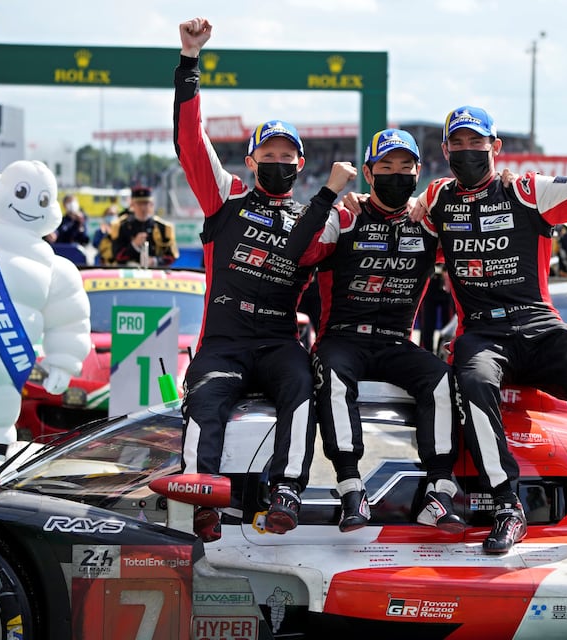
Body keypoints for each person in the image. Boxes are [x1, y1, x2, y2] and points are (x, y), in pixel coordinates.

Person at [412, 105, 567, 554]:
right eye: (459, 142)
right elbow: (398, 224)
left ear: (496, 146)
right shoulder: (436, 199)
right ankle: (507, 505)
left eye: (477, 142)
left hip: (540, 324)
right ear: (446, 148)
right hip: (482, 334)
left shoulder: (527, 191)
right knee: (470, 382)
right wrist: (358, 201)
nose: (468, 150)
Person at [174, 16, 357, 541]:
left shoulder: (318, 218)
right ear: (251, 159)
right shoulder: (226, 196)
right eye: (267, 156)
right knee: (206, 399)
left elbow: (342, 244)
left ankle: (287, 492)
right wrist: (190, 61)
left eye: (286, 157)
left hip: (278, 341)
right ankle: (200, 493)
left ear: (301, 164)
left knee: (302, 383)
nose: (276, 163)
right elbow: (190, 139)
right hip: (224, 342)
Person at [291, 128, 463, 533]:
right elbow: (301, 250)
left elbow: (477, 219)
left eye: (406, 167)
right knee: (331, 374)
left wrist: (501, 183)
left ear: (419, 172)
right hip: (343, 339)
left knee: (440, 377)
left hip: (395, 342)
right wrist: (331, 196)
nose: (397, 174)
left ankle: (439, 492)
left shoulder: (428, 222)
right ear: (369, 173)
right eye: (386, 166)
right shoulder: (347, 215)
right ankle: (351, 488)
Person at [102, 186, 178, 267]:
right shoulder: (121, 226)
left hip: (156, 272)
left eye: (145, 203)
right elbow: (116, 255)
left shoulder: (163, 227)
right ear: (132, 205)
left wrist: (155, 261)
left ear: (151, 204)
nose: (143, 208)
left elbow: (171, 256)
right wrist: (134, 245)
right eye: (139, 204)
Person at [418, 263, 452, 353]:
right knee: (427, 324)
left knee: (448, 325)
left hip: (446, 285)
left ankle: (444, 351)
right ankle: (425, 352)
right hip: (430, 285)